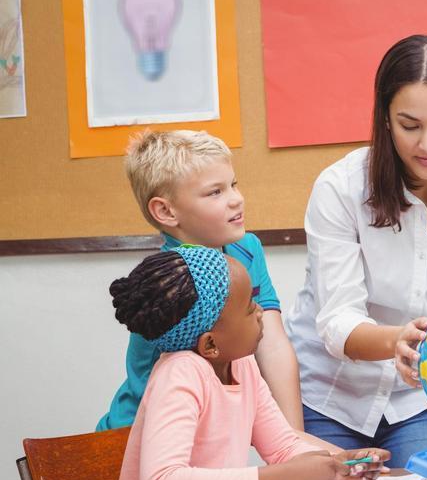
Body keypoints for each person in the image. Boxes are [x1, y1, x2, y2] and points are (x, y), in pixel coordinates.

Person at [285, 35, 427, 467]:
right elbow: (337, 323)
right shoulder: (340, 188)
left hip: (420, 400)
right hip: (330, 396)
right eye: (410, 126)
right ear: (385, 119)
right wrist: (399, 341)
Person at [111, 247, 388, 480]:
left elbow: (282, 447)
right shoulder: (179, 373)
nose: (259, 313)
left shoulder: (242, 364)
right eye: (248, 308)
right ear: (210, 345)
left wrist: (333, 466)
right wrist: (282, 479)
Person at [95, 130, 334, 450]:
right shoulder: (172, 280)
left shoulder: (245, 248)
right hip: (139, 436)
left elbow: (272, 343)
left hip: (203, 434)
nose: (236, 198)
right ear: (166, 211)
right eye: (214, 192)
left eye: (233, 184)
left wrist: (292, 437)